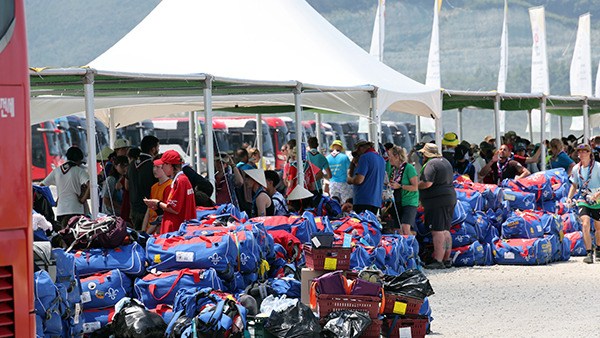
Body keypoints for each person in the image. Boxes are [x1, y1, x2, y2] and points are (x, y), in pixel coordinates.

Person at [417, 143, 456, 269]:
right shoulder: (445, 161)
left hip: (436, 200)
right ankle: (446, 259)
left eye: (423, 153)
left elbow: (427, 183)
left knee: (437, 231)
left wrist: (415, 186)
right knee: (445, 230)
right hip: (449, 197)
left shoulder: (431, 164)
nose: (422, 156)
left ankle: (438, 260)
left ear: (427, 154)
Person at [144, 150, 196, 234]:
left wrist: (157, 203)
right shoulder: (182, 180)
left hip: (176, 231)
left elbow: (174, 209)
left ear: (169, 165)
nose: (162, 168)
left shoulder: (180, 181)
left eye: (163, 165)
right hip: (179, 229)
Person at [40, 146, 90, 228]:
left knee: (63, 236)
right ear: (78, 159)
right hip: (76, 209)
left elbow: (42, 186)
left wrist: (51, 201)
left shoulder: (56, 170)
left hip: (61, 210)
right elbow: (89, 184)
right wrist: (83, 199)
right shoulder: (79, 171)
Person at [567, 144, 600, 263]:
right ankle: (588, 253)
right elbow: (574, 184)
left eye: (583, 152)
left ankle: (599, 249)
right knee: (585, 224)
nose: (580, 154)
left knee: (598, 227)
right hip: (583, 198)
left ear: (589, 153)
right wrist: (569, 197)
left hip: (597, 199)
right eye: (579, 152)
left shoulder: (597, 166)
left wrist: (598, 194)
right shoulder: (576, 168)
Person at [127, 136, 159, 230]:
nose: (158, 149)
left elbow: (126, 186)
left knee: (136, 236)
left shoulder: (132, 164)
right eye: (157, 147)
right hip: (148, 209)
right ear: (153, 149)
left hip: (133, 208)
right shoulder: (153, 165)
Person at [347, 140, 385, 215]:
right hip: (376, 201)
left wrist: (350, 180)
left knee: (361, 225)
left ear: (360, 148)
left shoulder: (365, 157)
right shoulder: (381, 159)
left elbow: (359, 180)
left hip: (363, 200)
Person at [387, 146, 419, 235]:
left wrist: (400, 186)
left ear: (397, 156)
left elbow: (415, 187)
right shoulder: (393, 170)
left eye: (390, 156)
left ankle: (412, 247)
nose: (388, 158)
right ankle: (403, 247)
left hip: (409, 201)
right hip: (397, 202)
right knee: (397, 231)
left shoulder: (409, 168)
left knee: (405, 228)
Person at [141, 154, 173, 234]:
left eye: (158, 167)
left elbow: (162, 215)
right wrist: (143, 230)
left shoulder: (169, 186)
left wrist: (147, 233)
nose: (154, 170)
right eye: (153, 166)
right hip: (150, 229)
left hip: (159, 231)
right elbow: (149, 209)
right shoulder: (154, 187)